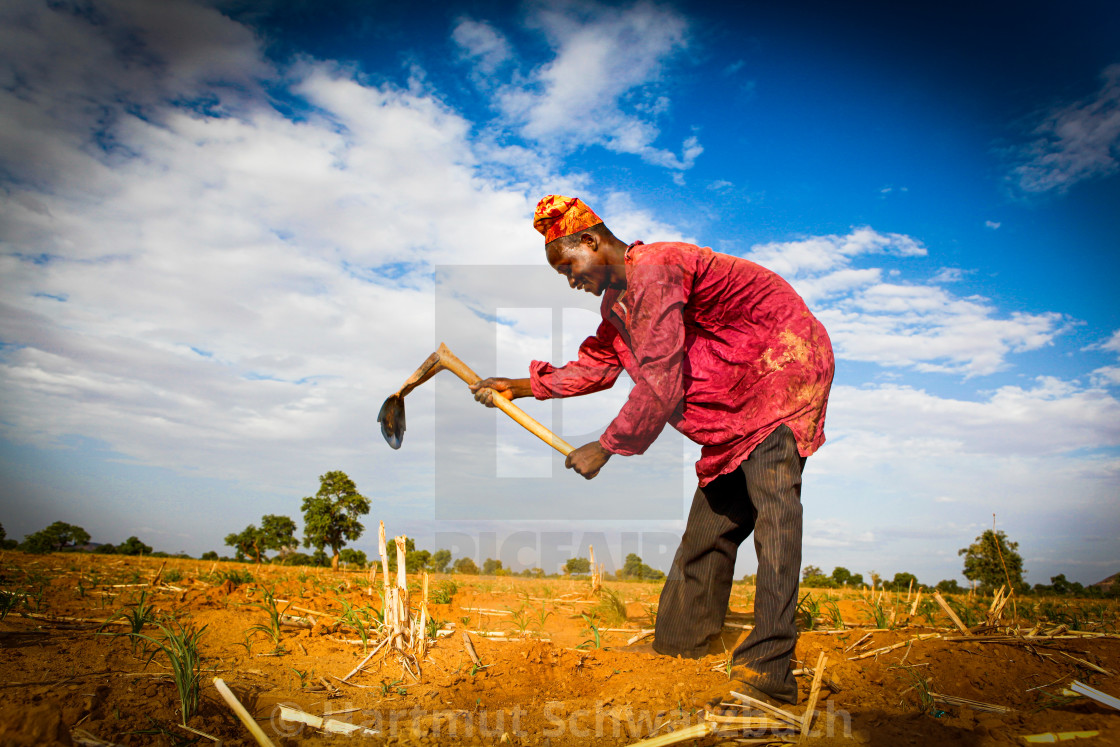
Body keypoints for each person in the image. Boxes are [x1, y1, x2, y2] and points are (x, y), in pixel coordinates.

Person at [470, 195, 834, 707]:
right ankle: (680, 646)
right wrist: (517, 386)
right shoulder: (616, 305)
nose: (570, 280)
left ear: (591, 242)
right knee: (711, 528)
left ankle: (770, 668)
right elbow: (597, 366)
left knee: (775, 514)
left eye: (568, 266)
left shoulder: (658, 266)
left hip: (777, 374)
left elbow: (661, 374)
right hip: (730, 411)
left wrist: (606, 445)